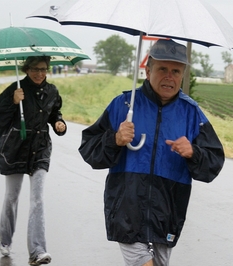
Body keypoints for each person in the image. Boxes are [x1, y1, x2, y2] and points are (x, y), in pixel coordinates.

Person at [78, 39, 225, 266]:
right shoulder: (123, 105)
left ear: (183, 75)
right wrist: (114, 139)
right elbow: (89, 149)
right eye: (162, 69)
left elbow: (213, 164)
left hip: (168, 209)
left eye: (176, 71)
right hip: (126, 205)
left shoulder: (192, 113)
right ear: (148, 71)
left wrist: (193, 153)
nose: (169, 76)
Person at [0, 56, 67, 266]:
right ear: (26, 69)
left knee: (37, 199)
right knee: (12, 197)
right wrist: (12, 102)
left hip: (39, 149)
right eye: (34, 69)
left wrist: (59, 123)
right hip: (15, 149)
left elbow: (54, 113)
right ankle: (5, 240)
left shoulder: (52, 91)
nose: (39, 73)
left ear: (48, 69)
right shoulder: (16, 89)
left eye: (43, 69)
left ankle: (37, 251)